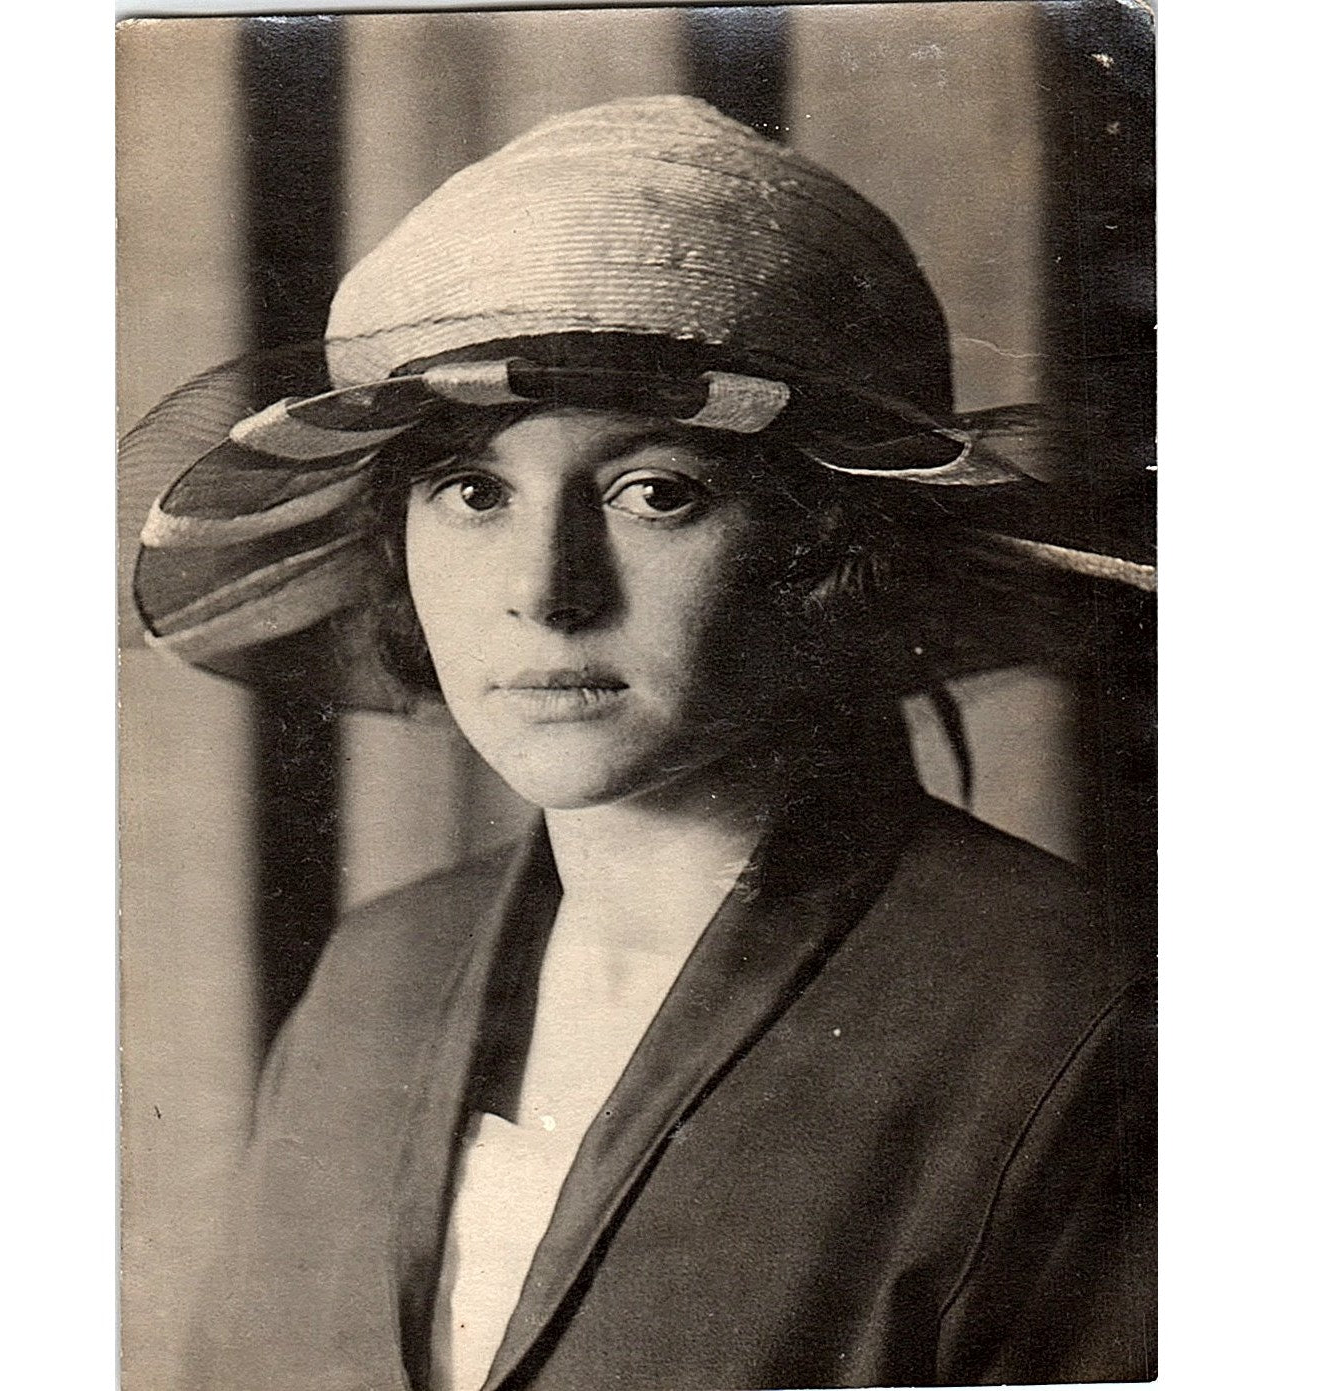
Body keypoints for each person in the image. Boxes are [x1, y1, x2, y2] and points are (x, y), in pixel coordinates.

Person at [129, 96, 1156, 1390]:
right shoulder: (375, 975)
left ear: (819, 547)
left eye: (656, 492)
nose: (548, 591)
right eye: (474, 492)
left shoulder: (1065, 1008)